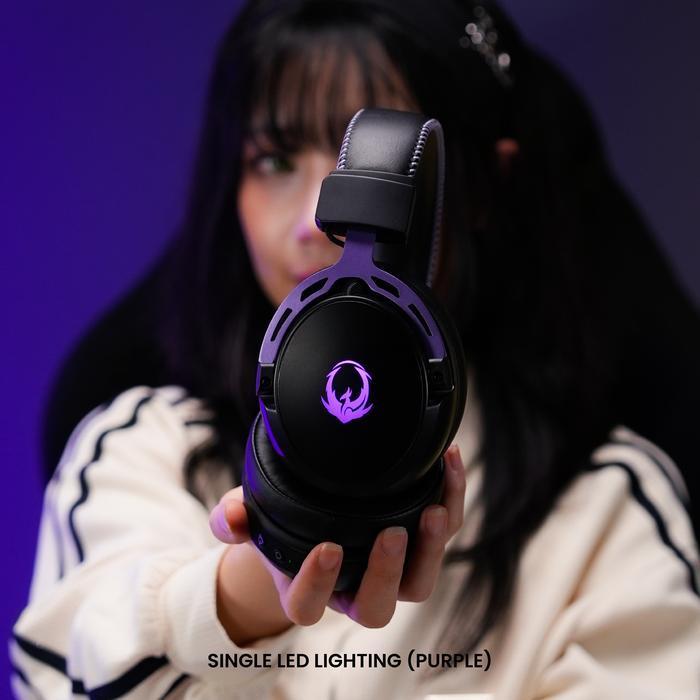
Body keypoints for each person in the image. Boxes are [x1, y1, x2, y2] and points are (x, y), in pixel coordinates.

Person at [11, 1, 700, 698]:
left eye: (379, 171)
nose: (318, 221)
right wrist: (252, 585)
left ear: (482, 187)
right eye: (274, 160)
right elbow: (71, 667)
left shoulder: (605, 515)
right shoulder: (139, 452)